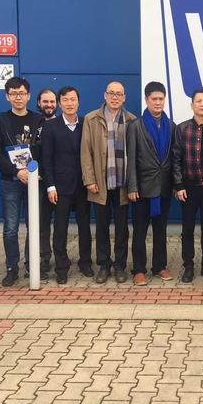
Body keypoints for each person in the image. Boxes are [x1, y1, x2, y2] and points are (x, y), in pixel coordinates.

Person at [0, 76, 44, 286]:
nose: (18, 97)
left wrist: (33, 172)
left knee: (34, 225)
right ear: (7, 97)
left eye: (22, 93)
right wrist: (16, 171)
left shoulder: (38, 120)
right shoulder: (0, 121)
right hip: (10, 181)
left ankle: (32, 265)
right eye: (14, 94)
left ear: (29, 96)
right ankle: (12, 268)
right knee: (11, 227)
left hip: (34, 181)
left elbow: (43, 149)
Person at [81, 81, 136, 284]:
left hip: (122, 184)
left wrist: (133, 184)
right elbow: (85, 151)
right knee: (102, 227)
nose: (115, 97)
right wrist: (89, 179)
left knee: (122, 228)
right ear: (105, 95)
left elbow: (135, 154)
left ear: (124, 98)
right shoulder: (91, 119)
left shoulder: (131, 121)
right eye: (111, 93)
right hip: (100, 183)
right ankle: (104, 265)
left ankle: (120, 266)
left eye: (119, 94)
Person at [41, 86, 92, 284]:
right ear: (59, 103)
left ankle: (85, 262)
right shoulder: (50, 127)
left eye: (73, 99)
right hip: (60, 187)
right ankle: (61, 267)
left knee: (85, 227)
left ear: (78, 102)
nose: (69, 103)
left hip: (83, 185)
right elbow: (46, 158)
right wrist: (50, 186)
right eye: (65, 100)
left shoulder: (86, 124)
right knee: (60, 228)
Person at [127, 81, 176, 286]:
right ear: (146, 100)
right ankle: (139, 270)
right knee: (140, 231)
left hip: (163, 187)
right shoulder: (135, 126)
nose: (157, 102)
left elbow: (173, 158)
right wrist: (132, 186)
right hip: (142, 188)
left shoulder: (171, 126)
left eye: (161, 99)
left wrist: (175, 184)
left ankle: (160, 266)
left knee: (160, 230)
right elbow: (131, 158)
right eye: (154, 99)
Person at [172, 89, 203, 283]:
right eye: (198, 101)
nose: (202, 104)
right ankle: (188, 266)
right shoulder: (182, 129)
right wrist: (179, 185)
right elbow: (175, 158)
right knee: (187, 229)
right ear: (192, 105)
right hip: (188, 189)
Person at [36, 88, 57, 279]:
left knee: (61, 223)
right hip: (39, 182)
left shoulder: (63, 123)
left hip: (60, 182)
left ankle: (61, 256)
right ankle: (43, 258)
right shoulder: (34, 124)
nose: (49, 105)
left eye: (52, 102)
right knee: (42, 223)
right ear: (38, 103)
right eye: (45, 101)